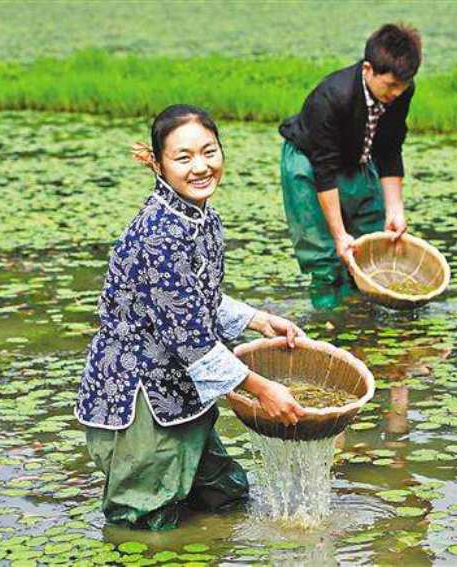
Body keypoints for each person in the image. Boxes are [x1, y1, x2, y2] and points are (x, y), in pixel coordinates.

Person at [75, 104, 306, 530]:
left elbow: (196, 298)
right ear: (157, 163)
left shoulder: (202, 218)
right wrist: (262, 390)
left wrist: (257, 318)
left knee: (225, 496)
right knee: (145, 524)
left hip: (181, 389)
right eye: (184, 158)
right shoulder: (160, 234)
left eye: (209, 152)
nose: (201, 167)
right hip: (141, 399)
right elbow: (193, 341)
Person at [279, 23, 422, 308]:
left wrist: (395, 210)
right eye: (391, 85)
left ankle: (362, 315)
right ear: (368, 69)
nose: (396, 92)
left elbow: (390, 148)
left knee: (371, 240)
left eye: (402, 85)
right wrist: (339, 235)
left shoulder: (401, 91)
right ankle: (330, 318)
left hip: (357, 158)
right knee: (326, 253)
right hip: (309, 163)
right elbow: (324, 171)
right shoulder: (333, 97)